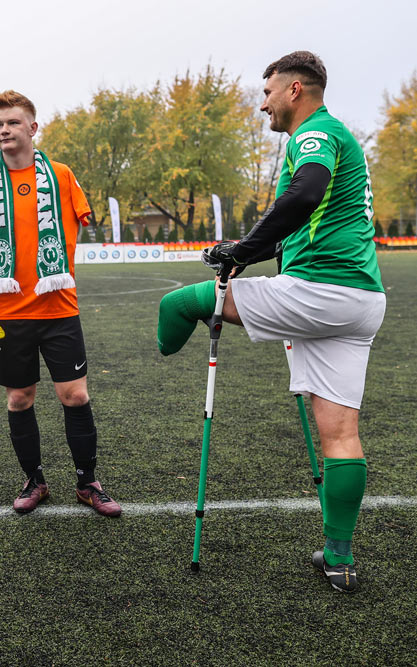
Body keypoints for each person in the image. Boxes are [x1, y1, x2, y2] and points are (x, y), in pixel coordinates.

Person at [157, 51, 385, 593]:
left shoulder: (315, 134)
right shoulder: (332, 136)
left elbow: (303, 193)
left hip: (321, 293)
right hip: (359, 301)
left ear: (296, 91)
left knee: (181, 303)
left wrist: (240, 250)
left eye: (267, 93)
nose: (262, 105)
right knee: (341, 434)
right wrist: (250, 252)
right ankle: (338, 555)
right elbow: (307, 214)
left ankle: (171, 331)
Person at [0, 90, 122, 517]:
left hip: (59, 310)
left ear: (33, 128)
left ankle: (88, 482)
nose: (4, 130)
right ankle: (35, 480)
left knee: (74, 395)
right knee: (19, 400)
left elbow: (80, 225)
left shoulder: (62, 177)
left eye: (13, 122)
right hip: (9, 314)